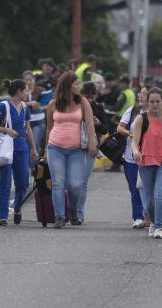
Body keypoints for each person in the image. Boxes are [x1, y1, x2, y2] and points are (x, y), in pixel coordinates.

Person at [45, 72, 98, 228]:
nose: (79, 86)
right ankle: (59, 217)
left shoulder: (82, 102)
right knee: (58, 183)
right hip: (55, 148)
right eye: (76, 84)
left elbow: (89, 123)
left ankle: (73, 209)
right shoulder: (53, 104)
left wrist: (92, 144)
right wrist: (45, 150)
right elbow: (49, 128)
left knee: (75, 185)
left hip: (76, 150)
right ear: (67, 85)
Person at [0, 79, 38, 226]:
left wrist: (33, 148)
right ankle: (2, 216)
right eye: (26, 90)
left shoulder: (24, 107)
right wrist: (7, 130)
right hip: (5, 149)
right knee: (4, 182)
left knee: (23, 182)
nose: (27, 93)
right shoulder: (3, 106)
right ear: (19, 91)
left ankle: (17, 208)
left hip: (22, 148)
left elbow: (27, 128)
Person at [131, 88, 162, 239]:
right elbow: (134, 142)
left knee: (159, 194)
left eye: (158, 101)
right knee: (150, 200)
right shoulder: (141, 119)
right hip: (146, 159)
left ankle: (159, 227)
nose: (154, 104)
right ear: (147, 102)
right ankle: (152, 221)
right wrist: (136, 152)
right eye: (151, 102)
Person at [76, 82, 113, 222]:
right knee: (73, 182)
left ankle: (79, 214)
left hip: (90, 147)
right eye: (86, 96)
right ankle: (70, 210)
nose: (89, 100)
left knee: (83, 182)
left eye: (92, 97)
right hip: (75, 147)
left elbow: (106, 130)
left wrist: (97, 124)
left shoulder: (98, 108)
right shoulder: (75, 107)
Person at [118, 87, 148, 229]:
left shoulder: (159, 113)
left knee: (149, 188)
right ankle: (138, 217)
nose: (140, 97)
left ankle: (151, 216)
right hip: (131, 156)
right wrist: (129, 134)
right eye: (139, 94)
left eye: (144, 94)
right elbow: (120, 128)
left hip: (149, 157)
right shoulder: (132, 110)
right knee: (134, 188)